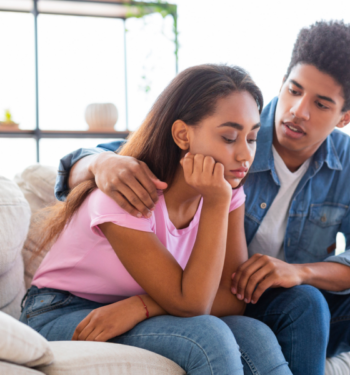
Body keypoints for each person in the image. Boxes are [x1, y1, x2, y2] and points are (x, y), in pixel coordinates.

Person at [56, 21, 350, 375]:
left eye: (321, 104)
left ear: (345, 117)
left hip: (269, 296)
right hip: (240, 296)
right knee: (304, 303)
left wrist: (299, 272)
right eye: (294, 90)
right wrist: (102, 163)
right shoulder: (231, 125)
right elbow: (131, 156)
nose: (298, 110)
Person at [20, 64, 292, 375]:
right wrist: (217, 202)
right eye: (230, 137)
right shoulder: (126, 195)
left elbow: (231, 298)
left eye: (253, 138)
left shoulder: (227, 190)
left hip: (137, 304)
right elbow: (192, 305)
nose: (245, 155)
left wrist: (141, 305)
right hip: (60, 310)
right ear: (182, 134)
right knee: (207, 338)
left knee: (255, 335)